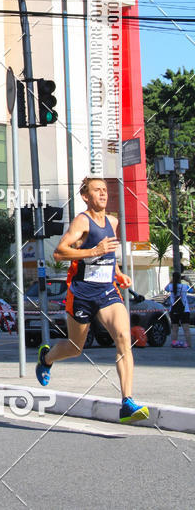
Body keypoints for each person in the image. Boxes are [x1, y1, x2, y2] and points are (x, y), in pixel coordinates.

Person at [35, 177, 149, 424]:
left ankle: (127, 402)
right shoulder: (82, 221)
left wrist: (118, 273)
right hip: (82, 293)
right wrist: (93, 251)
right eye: (97, 190)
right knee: (76, 348)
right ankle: (46, 358)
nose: (103, 194)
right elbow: (60, 251)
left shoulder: (113, 222)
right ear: (86, 196)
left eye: (105, 190)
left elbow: (108, 255)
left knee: (123, 337)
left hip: (107, 291)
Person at [165, 271, 193, 348]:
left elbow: (165, 288)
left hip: (173, 310)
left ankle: (174, 342)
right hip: (184, 310)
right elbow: (193, 290)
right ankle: (189, 343)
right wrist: (189, 281)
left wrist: (172, 280)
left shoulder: (170, 287)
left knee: (174, 328)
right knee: (186, 328)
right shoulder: (184, 287)